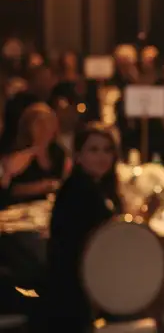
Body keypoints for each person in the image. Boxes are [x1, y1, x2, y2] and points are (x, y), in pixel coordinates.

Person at [46, 125, 123, 332]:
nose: (102, 156)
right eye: (94, 150)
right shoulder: (79, 192)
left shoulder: (98, 188)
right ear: (78, 156)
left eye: (107, 150)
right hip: (80, 295)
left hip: (97, 285)